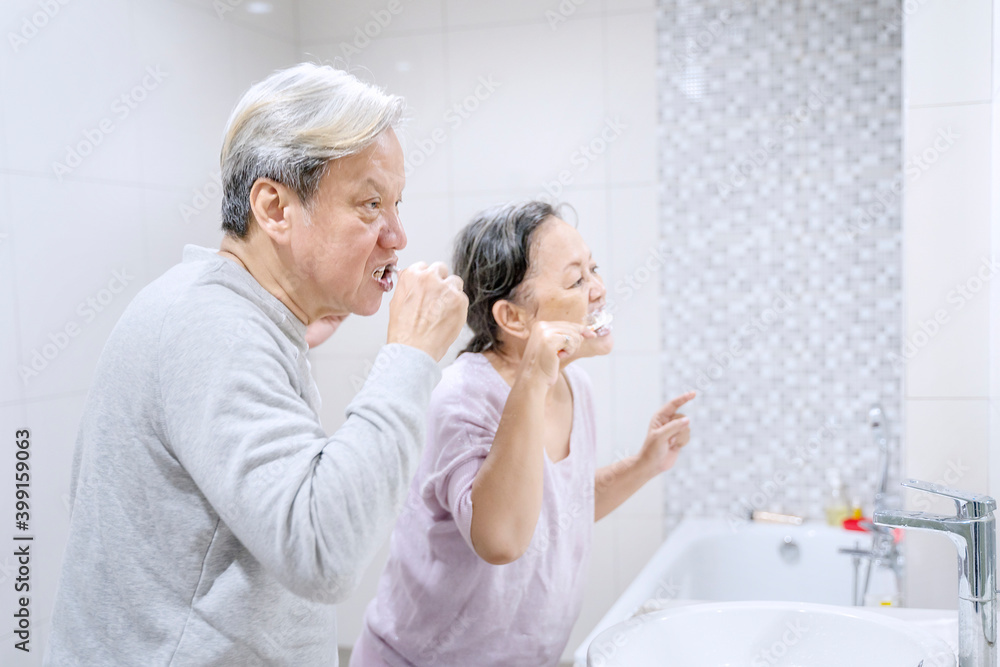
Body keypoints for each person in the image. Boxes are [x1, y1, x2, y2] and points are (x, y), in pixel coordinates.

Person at [45, 63, 468, 666]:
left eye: (396, 205)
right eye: (370, 204)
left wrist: (289, 332)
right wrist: (411, 353)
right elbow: (323, 550)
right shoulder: (214, 329)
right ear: (274, 208)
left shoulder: (220, 312)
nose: (396, 236)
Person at [351, 201, 694, 666]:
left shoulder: (575, 385)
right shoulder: (462, 397)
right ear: (513, 318)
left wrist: (644, 465)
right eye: (576, 280)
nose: (599, 289)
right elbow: (501, 539)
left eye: (593, 269)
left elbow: (558, 510)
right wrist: (533, 378)